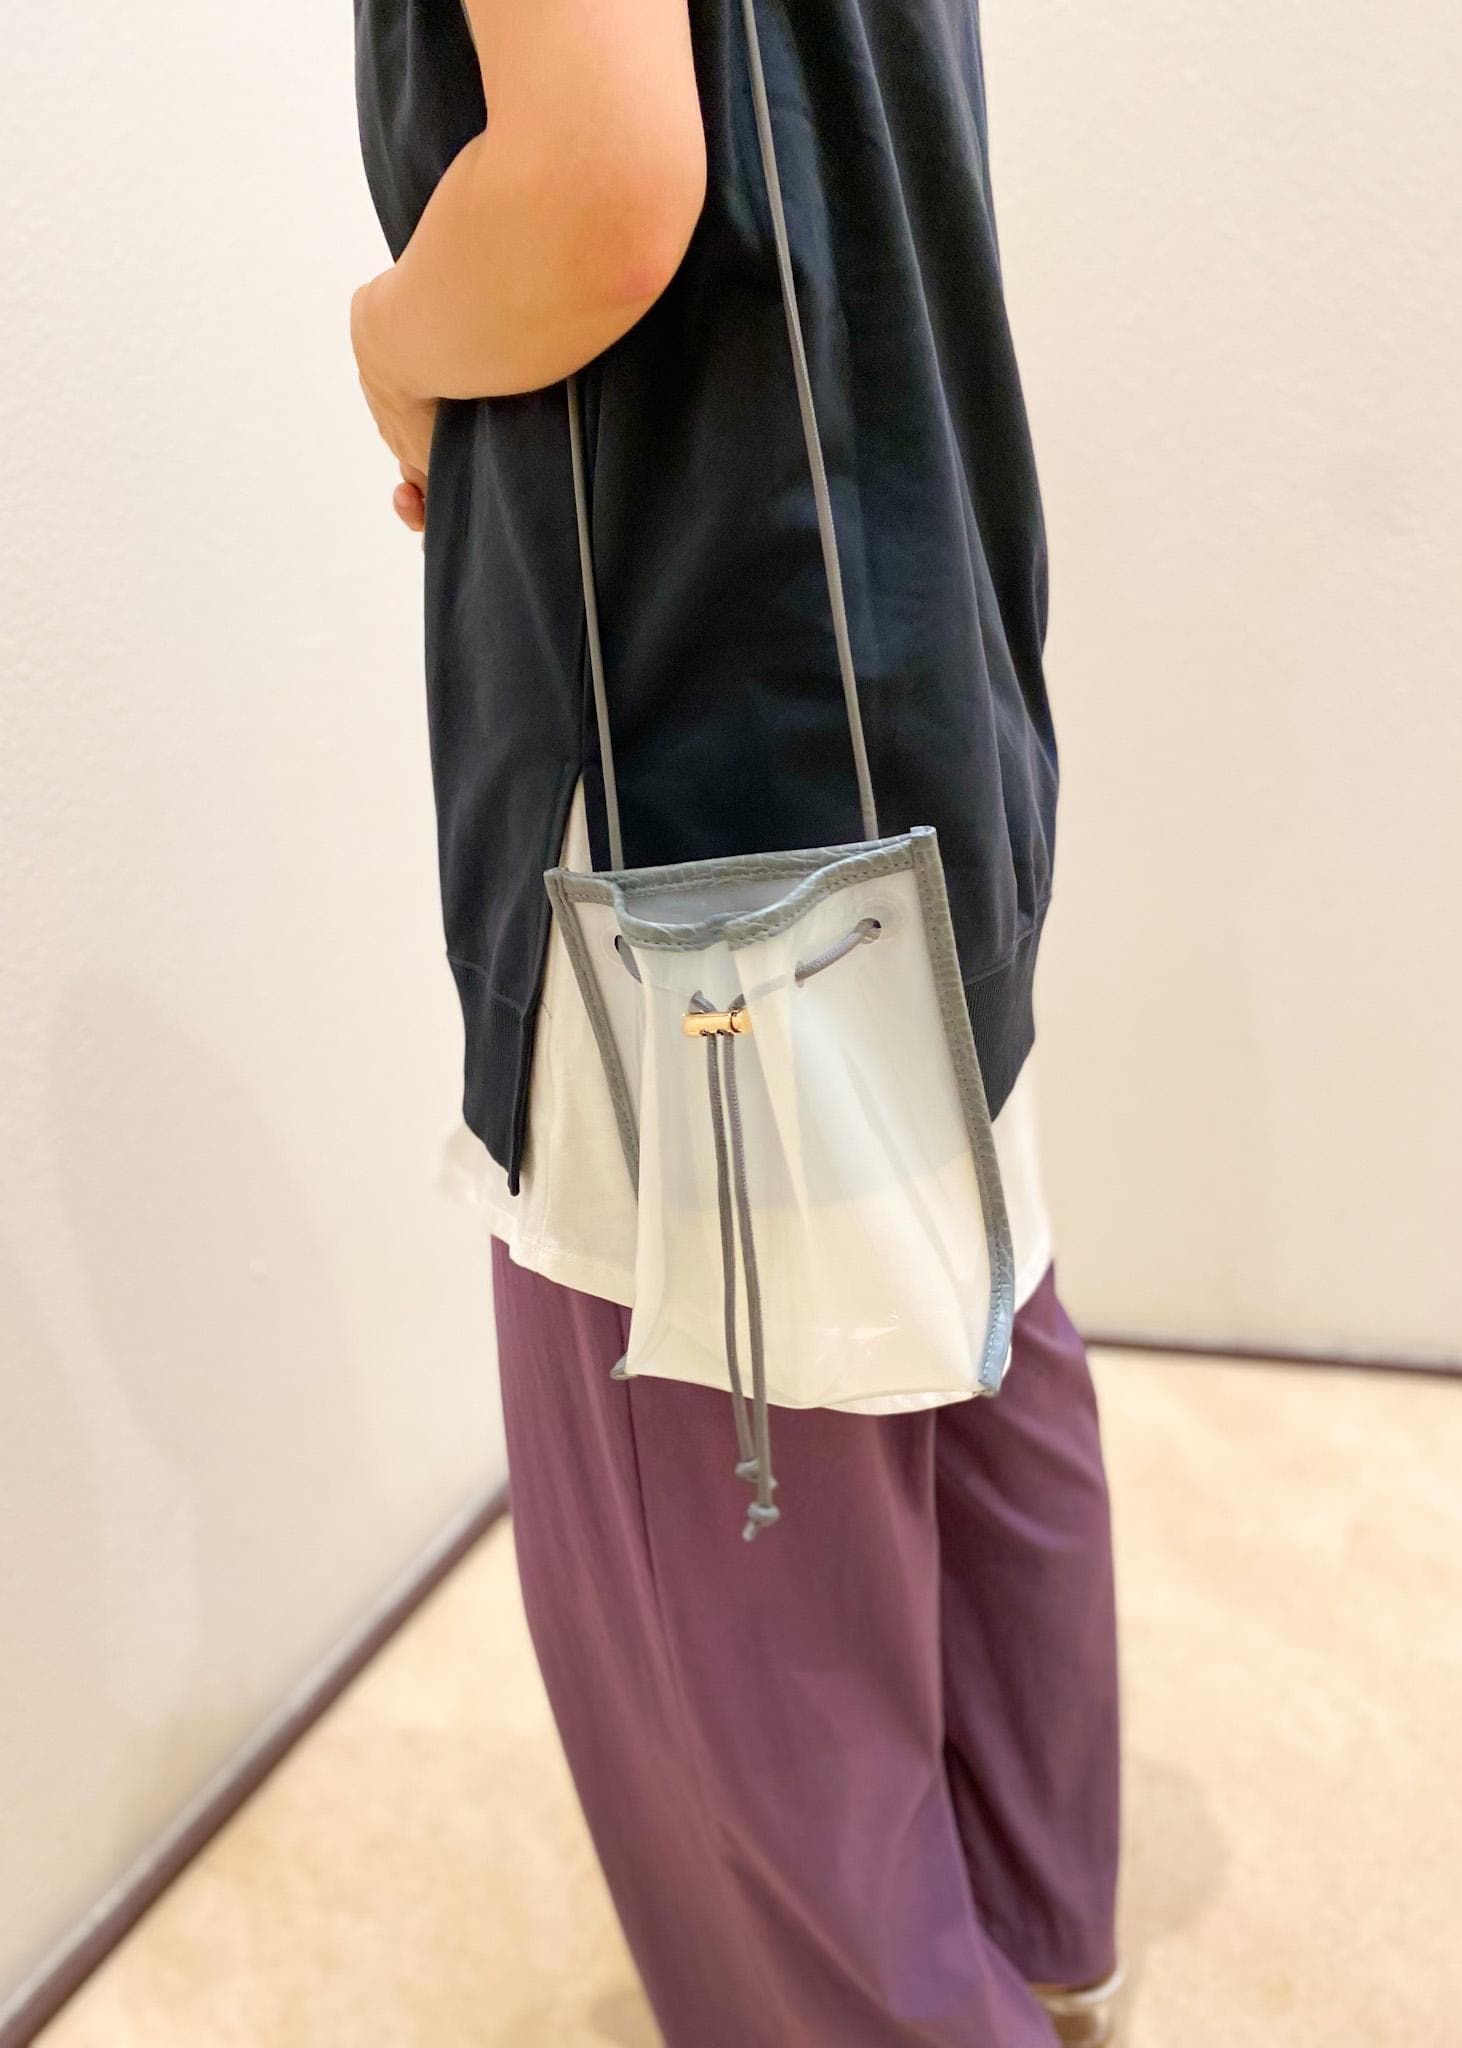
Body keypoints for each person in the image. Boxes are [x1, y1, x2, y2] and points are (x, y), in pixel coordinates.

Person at [350, 2, 1123, 2042]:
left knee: (719, 1574)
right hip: (915, 652)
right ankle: (1037, 1929)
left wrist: (389, 334)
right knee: (964, 1313)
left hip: (687, 745)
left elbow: (598, 189)